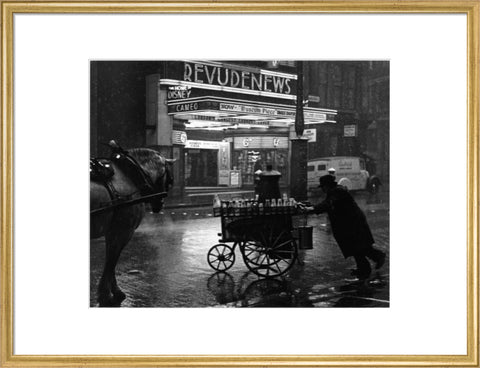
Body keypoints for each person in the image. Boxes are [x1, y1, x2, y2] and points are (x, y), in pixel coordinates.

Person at [300, 174, 385, 279]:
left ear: (327, 185)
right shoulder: (335, 191)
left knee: (359, 247)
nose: (322, 189)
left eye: (323, 187)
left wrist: (312, 209)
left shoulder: (337, 192)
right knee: (358, 247)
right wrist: (313, 208)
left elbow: (327, 204)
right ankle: (365, 267)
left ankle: (373, 262)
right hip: (351, 223)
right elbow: (327, 204)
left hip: (353, 223)